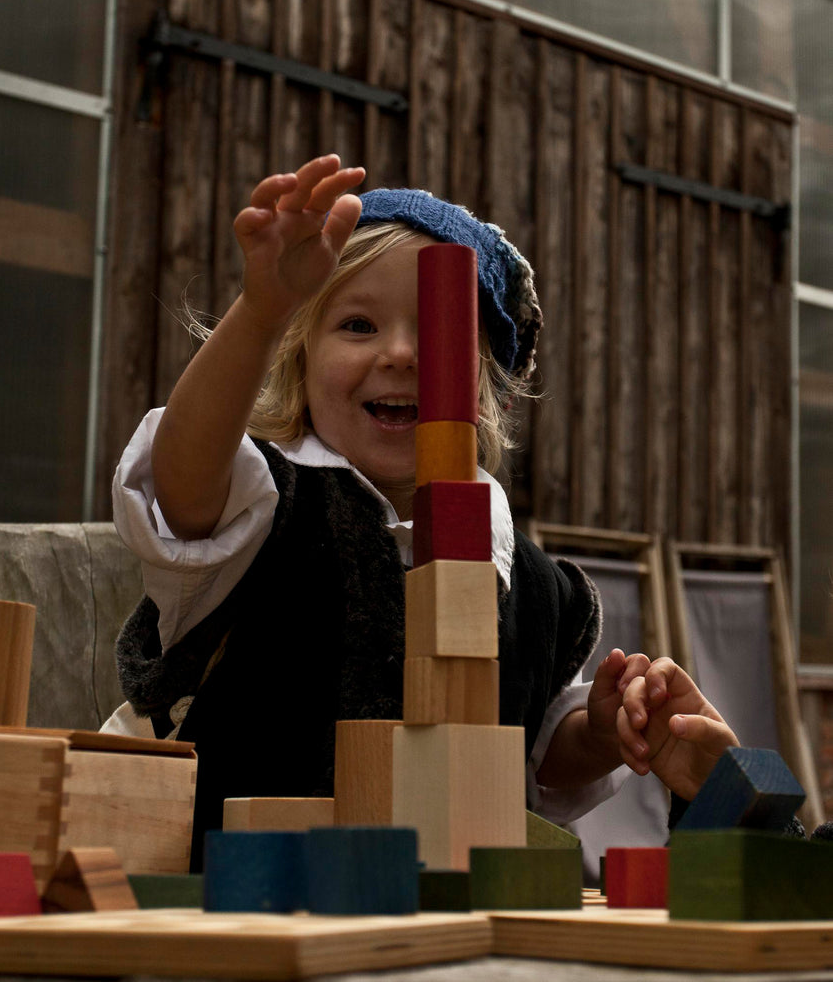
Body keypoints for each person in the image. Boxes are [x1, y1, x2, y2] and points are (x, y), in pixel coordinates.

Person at [104, 153, 738, 867]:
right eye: (358, 325)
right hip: (239, 903)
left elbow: (519, 741)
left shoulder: (523, 575)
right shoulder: (261, 500)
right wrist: (261, 311)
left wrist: (594, 733)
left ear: (486, 389)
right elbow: (182, 481)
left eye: (437, 332)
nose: (401, 353)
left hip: (434, 915)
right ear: (298, 361)